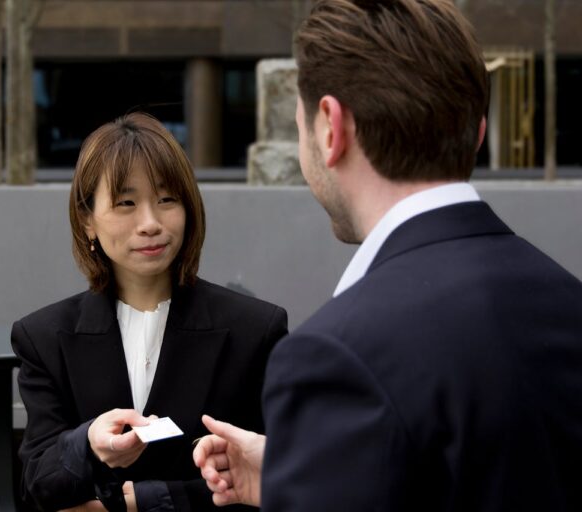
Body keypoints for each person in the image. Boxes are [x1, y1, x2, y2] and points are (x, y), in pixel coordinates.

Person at [193, 1, 582, 511]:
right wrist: (308, 466)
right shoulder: (566, 301)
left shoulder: (335, 356)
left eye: (301, 127)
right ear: (480, 130)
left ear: (331, 129)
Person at [11, 112, 288, 512]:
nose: (150, 223)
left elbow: (280, 471)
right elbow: (38, 483)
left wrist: (145, 500)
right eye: (126, 203)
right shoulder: (43, 337)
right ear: (87, 219)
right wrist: (88, 444)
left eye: (166, 199)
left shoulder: (255, 330)